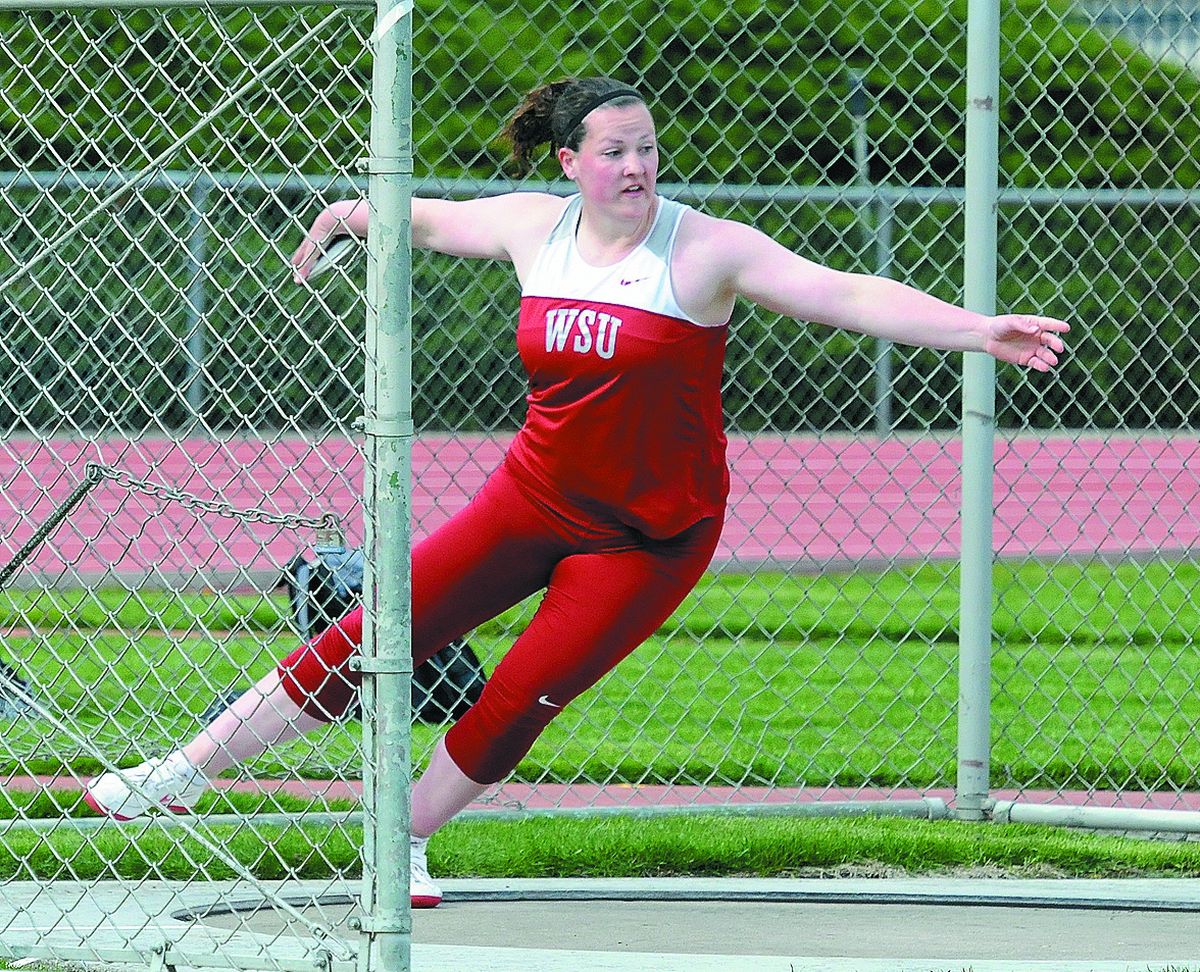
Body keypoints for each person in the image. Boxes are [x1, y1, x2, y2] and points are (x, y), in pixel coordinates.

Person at [84, 76, 1068, 908]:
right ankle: (178, 775)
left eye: (645, 149)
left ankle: (403, 841)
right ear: (569, 163)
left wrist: (978, 329)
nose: (635, 168)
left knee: (519, 694)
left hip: (650, 536)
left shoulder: (706, 249)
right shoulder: (533, 229)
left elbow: (847, 291)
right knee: (373, 636)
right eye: (612, 153)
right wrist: (346, 216)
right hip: (534, 498)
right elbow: (421, 218)